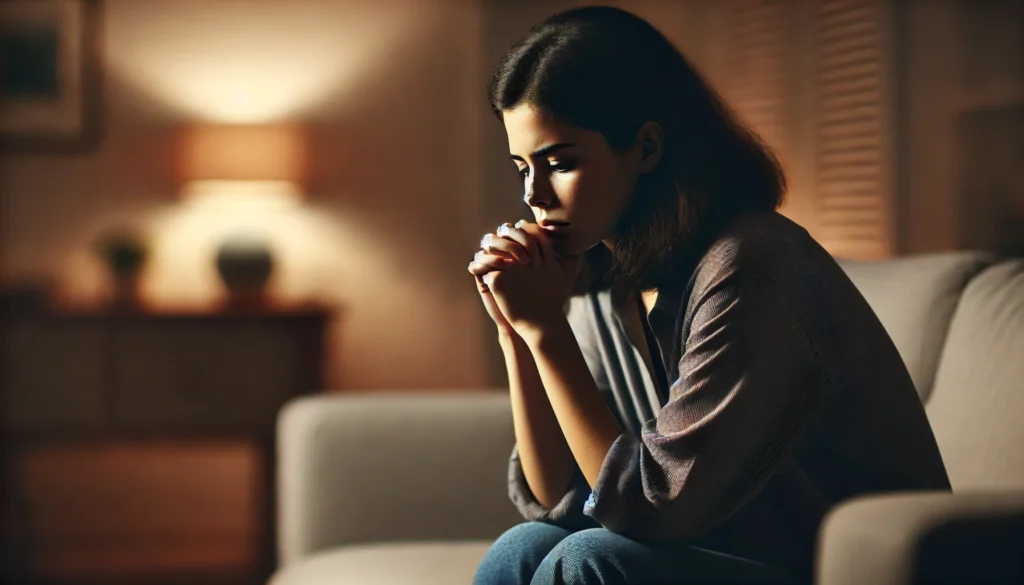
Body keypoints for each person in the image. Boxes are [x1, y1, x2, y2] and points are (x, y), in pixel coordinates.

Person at [467, 6, 950, 585]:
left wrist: (547, 330)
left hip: (837, 571)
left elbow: (650, 509)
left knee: (587, 560)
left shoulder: (751, 267)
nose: (534, 195)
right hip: (719, 556)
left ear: (646, 148)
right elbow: (561, 495)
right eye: (523, 166)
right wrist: (516, 332)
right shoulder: (605, 272)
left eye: (560, 163)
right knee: (527, 545)